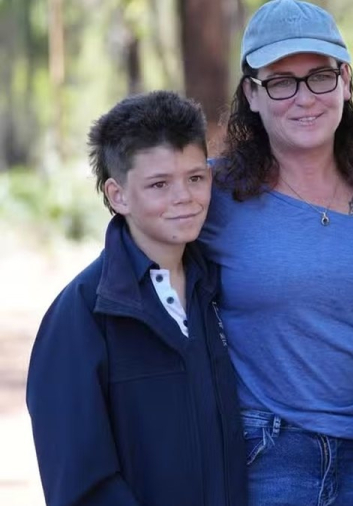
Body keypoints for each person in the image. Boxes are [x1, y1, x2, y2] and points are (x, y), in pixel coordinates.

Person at [199, 1, 353, 504]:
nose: (304, 98)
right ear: (252, 93)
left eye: (320, 77)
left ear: (345, 82)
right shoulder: (214, 191)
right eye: (281, 81)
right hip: (266, 454)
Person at [26, 91, 247, 506]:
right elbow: (79, 484)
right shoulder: (82, 314)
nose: (185, 197)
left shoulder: (215, 289)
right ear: (118, 195)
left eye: (196, 178)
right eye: (159, 184)